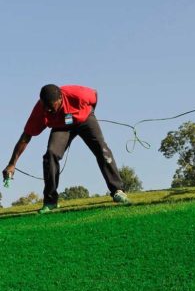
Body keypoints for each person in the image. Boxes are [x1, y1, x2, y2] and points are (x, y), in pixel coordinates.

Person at [2, 84, 129, 213]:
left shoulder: (78, 94)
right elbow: (26, 136)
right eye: (44, 106)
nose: (47, 110)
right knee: (50, 154)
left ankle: (117, 190)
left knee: (102, 149)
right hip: (62, 126)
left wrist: (90, 115)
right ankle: (50, 201)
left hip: (83, 118)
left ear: (60, 99)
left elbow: (94, 96)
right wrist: (12, 163)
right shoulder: (40, 110)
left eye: (51, 107)